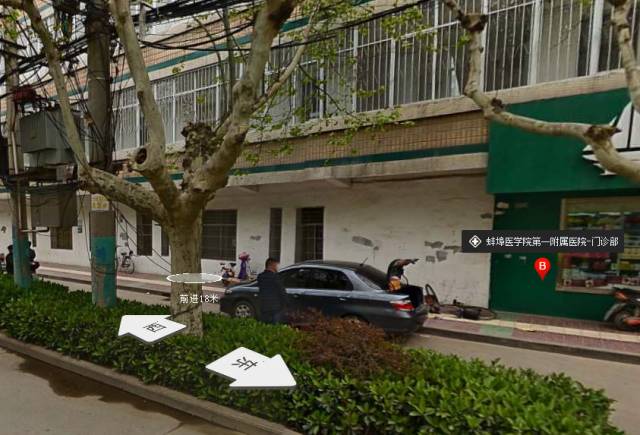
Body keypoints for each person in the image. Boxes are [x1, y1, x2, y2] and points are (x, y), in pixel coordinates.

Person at [257, 257, 287, 324]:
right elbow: (282, 291)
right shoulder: (276, 277)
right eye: (276, 266)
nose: (277, 268)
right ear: (271, 266)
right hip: (275, 308)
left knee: (265, 326)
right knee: (275, 326)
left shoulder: (260, 276)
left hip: (264, 307)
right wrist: (286, 303)